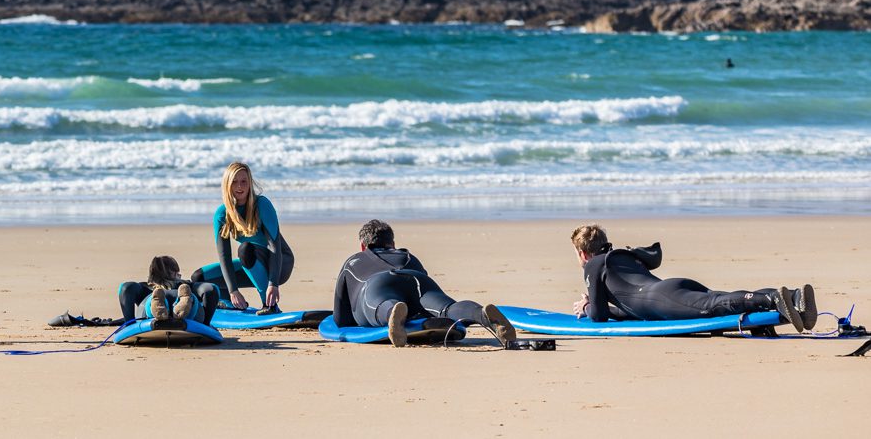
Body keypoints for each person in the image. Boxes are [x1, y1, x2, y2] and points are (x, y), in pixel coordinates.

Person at [570, 224, 816, 332]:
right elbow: (629, 307)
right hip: (671, 289)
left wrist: (586, 305)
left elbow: (599, 317)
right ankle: (794, 297)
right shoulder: (621, 256)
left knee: (715, 306)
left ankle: (773, 299)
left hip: (662, 299)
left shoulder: (593, 264)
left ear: (582, 252)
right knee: (721, 298)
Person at [332, 219, 515, 347]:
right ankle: (482, 314)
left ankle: (392, 313)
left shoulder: (353, 261)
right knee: (446, 308)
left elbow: (342, 319)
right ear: (393, 243)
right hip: (416, 279)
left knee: (380, 304)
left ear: (363, 246)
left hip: (377, 284)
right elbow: (424, 309)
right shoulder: (409, 256)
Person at [189, 162, 294, 313]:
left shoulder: (262, 204)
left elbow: (274, 246)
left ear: (250, 183)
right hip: (250, 262)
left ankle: (269, 304)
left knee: (245, 249)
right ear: (227, 185)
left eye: (244, 181)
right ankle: (230, 303)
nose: (240, 186)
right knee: (199, 277)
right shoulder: (222, 214)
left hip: (279, 263)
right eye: (234, 182)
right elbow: (224, 256)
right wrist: (233, 290)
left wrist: (273, 283)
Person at [118, 255, 220, 324]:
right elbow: (211, 289)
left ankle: (157, 305)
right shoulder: (185, 285)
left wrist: (129, 323)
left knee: (149, 304)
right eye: (178, 273)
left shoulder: (145, 288)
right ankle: (183, 305)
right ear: (174, 274)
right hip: (187, 313)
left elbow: (125, 288)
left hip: (151, 303)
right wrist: (206, 324)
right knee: (191, 301)